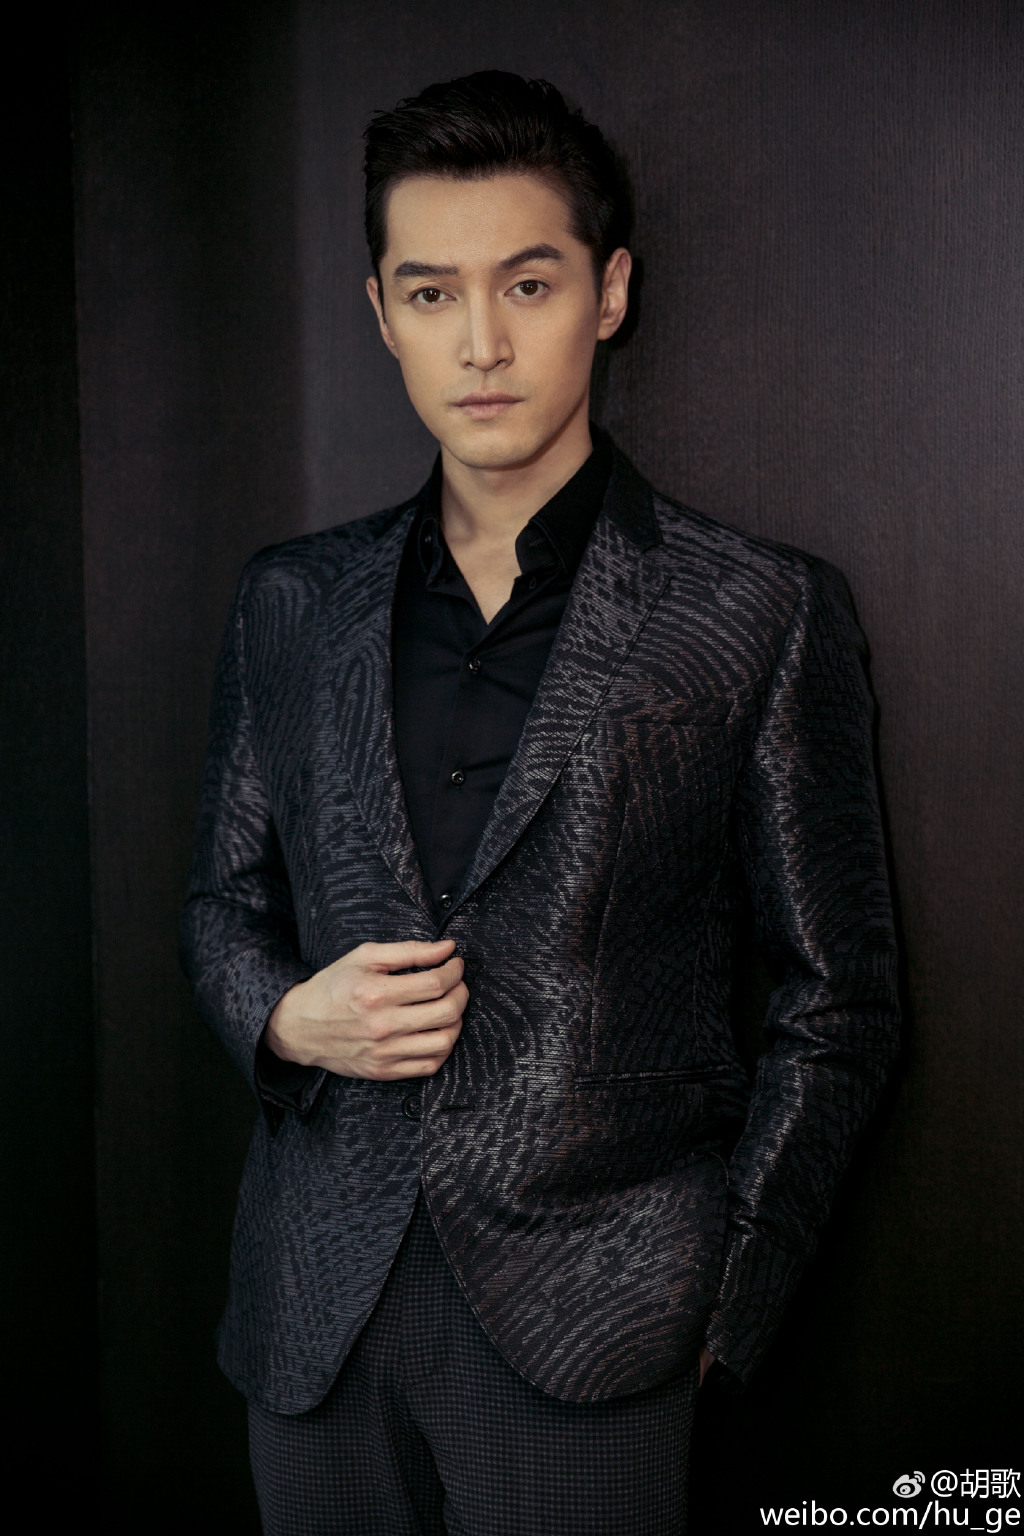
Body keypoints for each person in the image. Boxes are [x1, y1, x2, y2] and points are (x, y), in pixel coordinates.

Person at [181, 70, 900, 1536]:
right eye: (431, 294)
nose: (483, 344)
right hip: (313, 1313)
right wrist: (282, 1018)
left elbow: (840, 998)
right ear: (382, 313)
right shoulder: (290, 602)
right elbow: (221, 901)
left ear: (608, 291)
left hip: (602, 1323)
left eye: (527, 283)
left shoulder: (758, 609)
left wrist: (728, 1299)